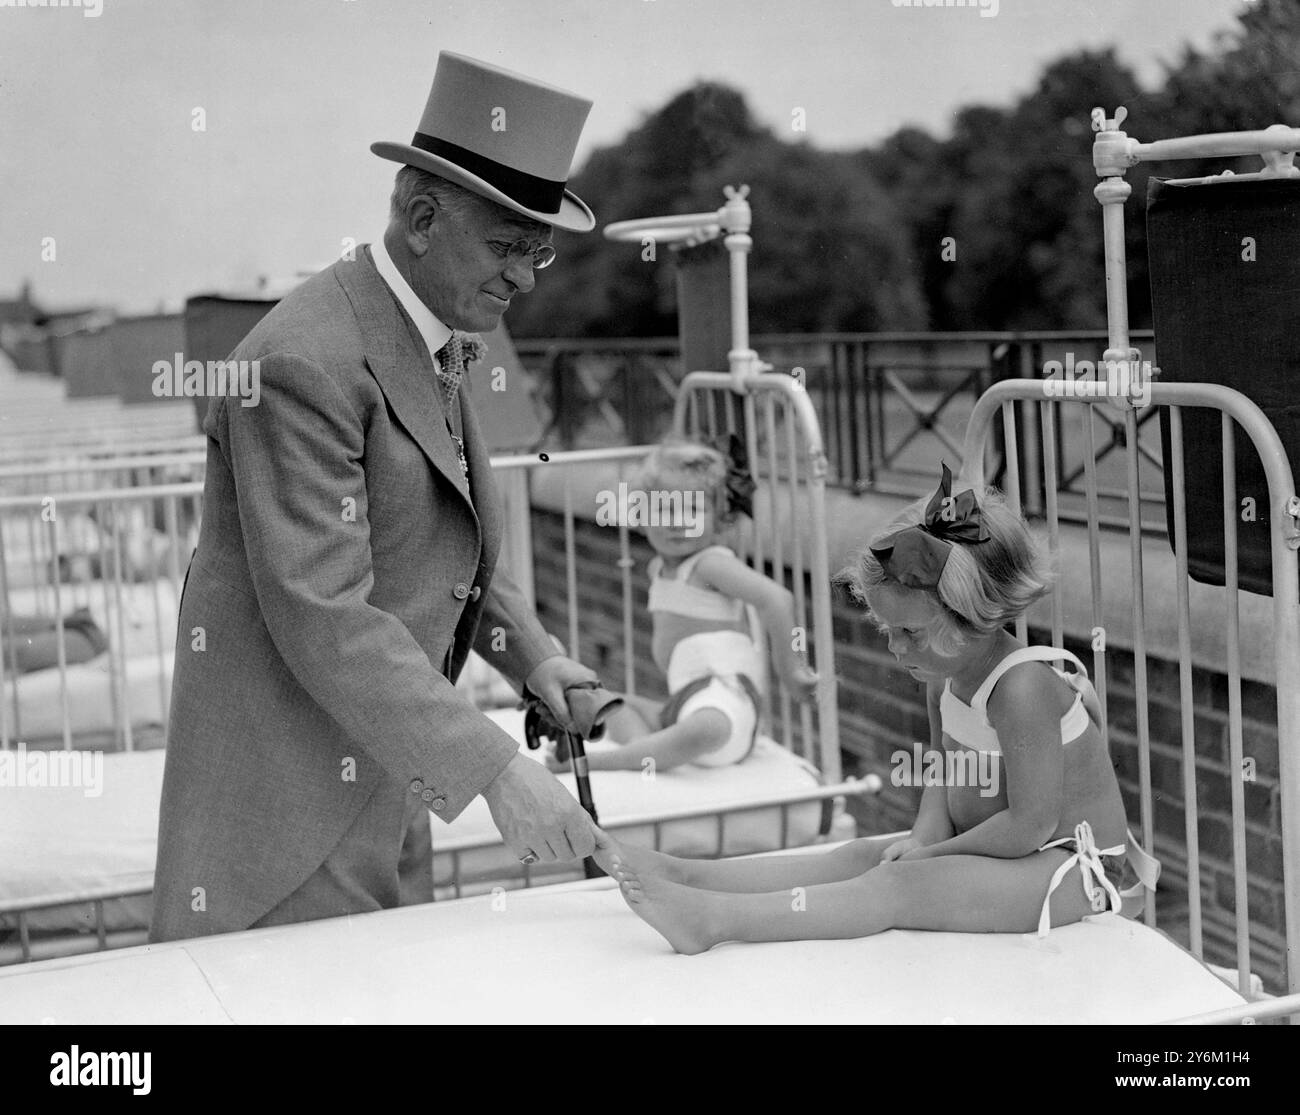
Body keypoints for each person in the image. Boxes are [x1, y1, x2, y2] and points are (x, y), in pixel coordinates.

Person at [151, 53, 610, 941]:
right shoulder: (300, 362)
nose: (527, 276)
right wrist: (497, 771)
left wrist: (533, 658)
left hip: (388, 781)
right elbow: (323, 609)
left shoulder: (428, 331)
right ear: (423, 217)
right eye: (509, 246)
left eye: (540, 250)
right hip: (287, 817)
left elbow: (433, 540)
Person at [594, 465, 1155, 953]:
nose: (896, 648)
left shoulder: (1022, 688)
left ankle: (713, 922)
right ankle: (689, 874)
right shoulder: (946, 677)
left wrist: (933, 857)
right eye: (889, 630)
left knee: (897, 887)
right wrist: (920, 838)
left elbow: (1029, 824)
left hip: (1080, 869)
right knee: (864, 854)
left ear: (974, 616)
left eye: (910, 632)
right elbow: (946, 772)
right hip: (1015, 853)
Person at [547, 436, 817, 774]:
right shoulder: (659, 569)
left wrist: (791, 670)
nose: (677, 521)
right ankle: (643, 753)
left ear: (719, 519)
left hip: (724, 706)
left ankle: (599, 763)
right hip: (683, 702)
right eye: (664, 508)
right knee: (613, 705)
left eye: (692, 509)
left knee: (704, 727)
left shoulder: (709, 564)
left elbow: (777, 599)